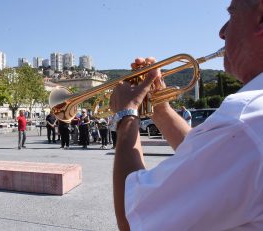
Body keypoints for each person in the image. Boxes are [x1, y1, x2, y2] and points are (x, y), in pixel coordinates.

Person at [109, 1, 263, 230]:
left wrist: (127, 115)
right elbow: (205, 156)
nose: (222, 32)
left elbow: (132, 220)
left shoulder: (244, 120)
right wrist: (160, 108)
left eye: (231, 15)